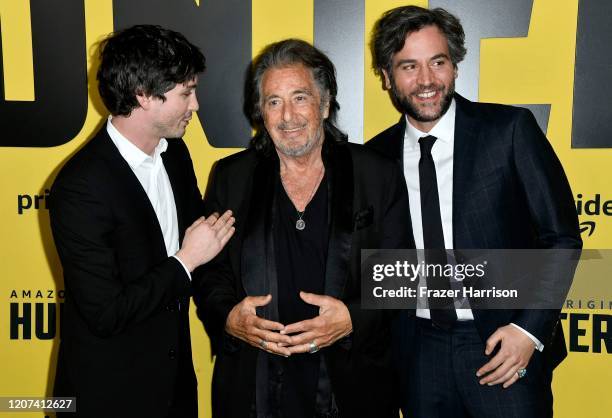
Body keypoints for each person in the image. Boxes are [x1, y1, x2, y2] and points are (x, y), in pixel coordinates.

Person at [367, 6, 582, 418]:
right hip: (417, 352)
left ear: (455, 65)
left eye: (438, 62)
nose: (427, 80)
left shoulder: (509, 130)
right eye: (409, 66)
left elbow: (562, 238)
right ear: (387, 75)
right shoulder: (375, 156)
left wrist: (527, 330)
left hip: (502, 343)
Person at [194, 39, 412, 418]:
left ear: (325, 104)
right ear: (260, 112)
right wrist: (228, 316)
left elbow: (402, 271)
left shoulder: (376, 173)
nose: (288, 117)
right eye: (274, 102)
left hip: (351, 384)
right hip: (255, 386)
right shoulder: (232, 177)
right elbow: (211, 270)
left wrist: (351, 318)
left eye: (300, 98)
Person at [49, 25, 235, 418]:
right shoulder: (81, 186)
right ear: (143, 96)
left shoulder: (175, 155)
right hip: (110, 397)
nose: (196, 105)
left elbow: (207, 248)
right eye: (186, 93)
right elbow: (106, 313)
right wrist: (185, 260)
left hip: (176, 390)